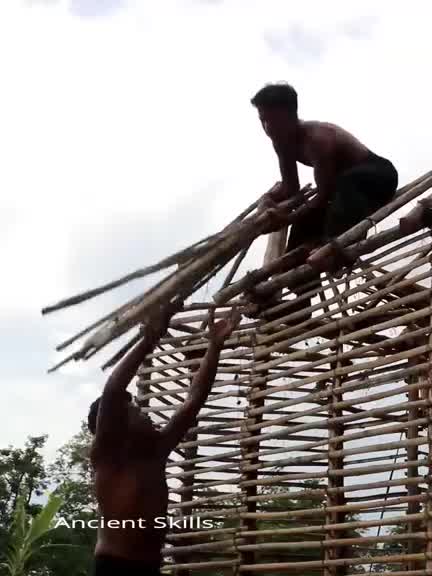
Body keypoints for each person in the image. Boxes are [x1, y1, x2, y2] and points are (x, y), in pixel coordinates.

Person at [88, 304, 241, 575]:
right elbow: (113, 390)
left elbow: (192, 403)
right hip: (115, 569)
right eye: (134, 411)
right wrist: (148, 341)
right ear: (117, 426)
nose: (143, 412)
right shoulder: (109, 459)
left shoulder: (154, 453)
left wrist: (215, 346)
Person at [250, 82, 399, 323]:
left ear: (290, 115)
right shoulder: (281, 143)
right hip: (339, 193)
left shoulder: (319, 138)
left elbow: (323, 195)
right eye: (262, 121)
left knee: (342, 186)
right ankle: (302, 303)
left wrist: (287, 217)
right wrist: (269, 201)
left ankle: (337, 246)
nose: (267, 127)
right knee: (298, 237)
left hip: (376, 177)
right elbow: (291, 189)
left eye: (273, 120)